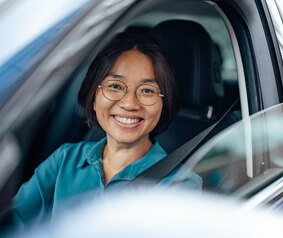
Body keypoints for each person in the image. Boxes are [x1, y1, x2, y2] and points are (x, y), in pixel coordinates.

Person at [11, 32, 202, 228]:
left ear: (164, 103)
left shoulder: (180, 186)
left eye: (147, 90)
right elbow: (12, 223)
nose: (129, 103)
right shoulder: (65, 159)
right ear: (93, 98)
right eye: (115, 86)